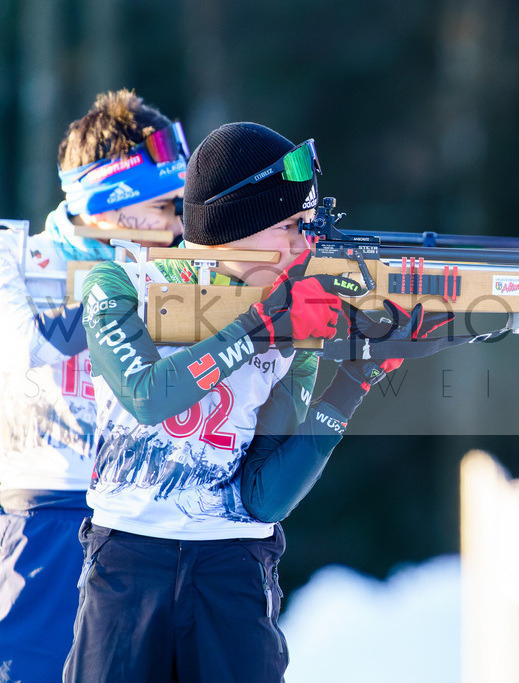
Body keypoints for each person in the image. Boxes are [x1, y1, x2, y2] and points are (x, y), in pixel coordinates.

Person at [63, 121, 443, 681]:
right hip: (126, 563)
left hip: (234, 565)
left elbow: (264, 499)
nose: (303, 246)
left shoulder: (295, 321)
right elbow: (146, 395)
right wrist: (260, 327)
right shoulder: (119, 283)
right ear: (234, 224)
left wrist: (358, 377)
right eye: (289, 226)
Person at [0, 89, 188, 682]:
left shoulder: (181, 273)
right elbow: (26, 348)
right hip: (44, 516)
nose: (179, 223)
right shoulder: (18, 260)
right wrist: (130, 288)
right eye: (164, 205)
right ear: (114, 203)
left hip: (144, 520)